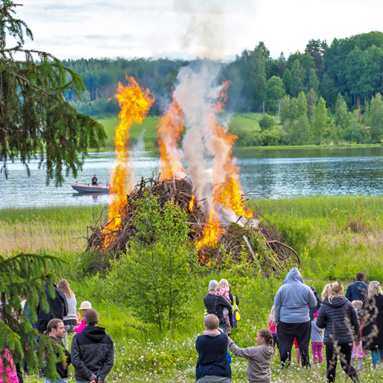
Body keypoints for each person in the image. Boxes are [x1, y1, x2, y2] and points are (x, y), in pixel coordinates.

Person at [316, 281, 360, 383]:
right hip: (346, 339)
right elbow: (356, 323)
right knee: (346, 365)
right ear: (340, 291)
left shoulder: (325, 305)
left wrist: (326, 324)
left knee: (331, 365)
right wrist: (358, 338)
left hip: (331, 340)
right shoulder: (348, 304)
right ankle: (357, 382)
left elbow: (319, 323)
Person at [273, 267, 317, 367]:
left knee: (285, 345)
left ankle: (285, 365)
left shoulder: (282, 288)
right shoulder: (305, 288)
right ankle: (305, 365)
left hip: (285, 322)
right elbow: (314, 303)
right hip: (303, 321)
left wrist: (277, 320)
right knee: (303, 345)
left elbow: (277, 306)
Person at [71, 309, 114, 383]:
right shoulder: (107, 338)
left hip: (82, 379)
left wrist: (90, 376)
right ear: (97, 321)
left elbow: (76, 360)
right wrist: (100, 377)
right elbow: (109, 361)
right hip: (101, 380)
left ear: (84, 322)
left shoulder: (77, 338)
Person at [195, 314, 231, 383]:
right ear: (217, 325)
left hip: (203, 374)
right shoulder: (224, 338)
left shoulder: (200, 339)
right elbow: (222, 336)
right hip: (222, 374)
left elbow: (198, 350)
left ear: (205, 325)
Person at [361, 281, 383, 368]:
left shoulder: (368, 301)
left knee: (375, 350)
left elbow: (362, 315)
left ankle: (377, 371)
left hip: (372, 330)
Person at [43, 319, 71, 383]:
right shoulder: (56, 344)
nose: (64, 330)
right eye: (61, 328)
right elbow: (69, 357)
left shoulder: (45, 342)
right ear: (53, 329)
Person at [58, 280, 77, 345]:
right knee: (72, 343)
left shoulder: (61, 295)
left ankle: (66, 355)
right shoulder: (73, 295)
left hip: (65, 320)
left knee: (65, 343)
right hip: (74, 320)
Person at [350, 300, 366, 371]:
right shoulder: (362, 317)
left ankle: (352, 367)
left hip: (353, 338)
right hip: (361, 337)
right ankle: (359, 368)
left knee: (352, 355)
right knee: (360, 355)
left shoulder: (351, 316)